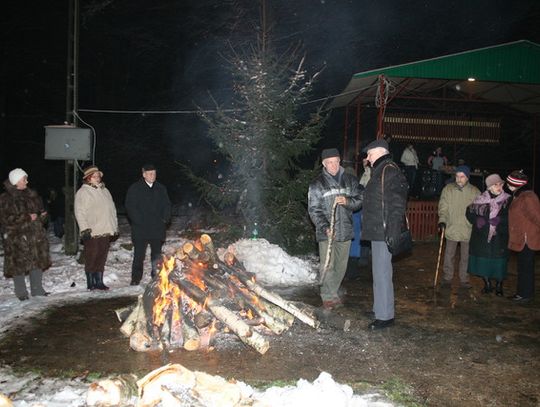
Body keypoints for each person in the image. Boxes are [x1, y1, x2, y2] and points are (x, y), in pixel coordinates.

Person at [361, 139, 408, 329]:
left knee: (382, 273)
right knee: (378, 272)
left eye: (369, 154)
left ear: (380, 152)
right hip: (378, 230)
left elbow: (397, 204)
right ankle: (379, 307)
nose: (367, 158)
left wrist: (393, 231)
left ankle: (385, 316)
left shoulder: (389, 170)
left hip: (384, 230)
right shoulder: (381, 170)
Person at [308, 148, 363, 309]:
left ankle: (333, 290)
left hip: (345, 229)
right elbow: (314, 209)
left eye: (336, 162)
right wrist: (325, 227)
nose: (333, 165)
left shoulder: (350, 180)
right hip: (327, 232)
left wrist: (347, 202)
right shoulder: (317, 184)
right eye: (330, 162)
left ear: (340, 162)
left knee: (341, 265)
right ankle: (327, 295)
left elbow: (360, 199)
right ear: (324, 164)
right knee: (328, 265)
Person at [0, 168, 50, 300]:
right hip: (17, 237)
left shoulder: (32, 195)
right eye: (24, 179)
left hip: (35, 236)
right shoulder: (6, 199)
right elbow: (5, 219)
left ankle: (37, 289)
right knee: (19, 265)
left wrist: (43, 215)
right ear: (16, 181)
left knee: (37, 262)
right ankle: (21, 292)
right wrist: (26, 217)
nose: (26, 181)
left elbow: (39, 213)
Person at [125, 164, 171, 286]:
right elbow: (130, 207)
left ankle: (156, 276)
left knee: (156, 255)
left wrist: (165, 219)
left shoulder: (161, 188)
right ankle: (136, 278)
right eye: (150, 173)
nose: (153, 176)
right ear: (144, 174)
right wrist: (139, 221)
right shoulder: (135, 188)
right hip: (141, 229)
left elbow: (167, 205)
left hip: (157, 228)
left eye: (154, 173)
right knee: (139, 255)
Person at [74, 165, 118, 291]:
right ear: (88, 178)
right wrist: (84, 229)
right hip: (93, 230)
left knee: (102, 256)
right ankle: (91, 282)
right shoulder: (83, 192)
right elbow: (79, 212)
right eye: (94, 176)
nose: (97, 178)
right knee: (92, 256)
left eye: (98, 176)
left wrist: (114, 226)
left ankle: (99, 281)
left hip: (105, 229)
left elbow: (112, 209)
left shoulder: (105, 191)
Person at [466, 174, 511, 296]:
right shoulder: (480, 199)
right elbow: (469, 212)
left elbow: (512, 217)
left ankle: (499, 286)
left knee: (499, 264)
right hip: (482, 237)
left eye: (501, 184)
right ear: (489, 187)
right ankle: (487, 284)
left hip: (499, 238)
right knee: (483, 263)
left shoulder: (508, 200)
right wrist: (476, 220)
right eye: (496, 184)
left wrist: (500, 220)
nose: (499, 187)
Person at [438, 165, 480, 289]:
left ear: (467, 177)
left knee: (465, 256)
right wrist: (442, 220)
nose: (459, 179)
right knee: (449, 254)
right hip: (452, 227)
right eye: (457, 176)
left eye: (462, 176)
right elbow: (443, 206)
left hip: (467, 229)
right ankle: (447, 277)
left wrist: (477, 223)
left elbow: (479, 210)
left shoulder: (475, 191)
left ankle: (464, 279)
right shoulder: (448, 189)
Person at [506, 170, 540, 303]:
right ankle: (524, 292)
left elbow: (537, 217)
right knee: (523, 266)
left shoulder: (528, 198)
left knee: (525, 267)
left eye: (509, 182)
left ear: (516, 184)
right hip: (522, 238)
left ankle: (524, 294)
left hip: (527, 239)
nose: (507, 185)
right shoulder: (520, 196)